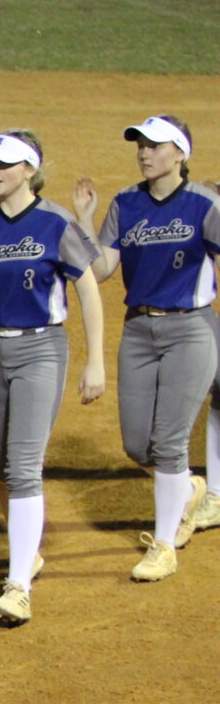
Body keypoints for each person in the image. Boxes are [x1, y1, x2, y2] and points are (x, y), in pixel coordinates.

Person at [0, 132, 107, 623]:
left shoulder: (56, 221)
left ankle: (17, 585)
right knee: (0, 464)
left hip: (40, 349)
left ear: (29, 170)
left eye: (5, 163)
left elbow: (89, 288)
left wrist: (95, 359)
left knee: (24, 464)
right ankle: (26, 551)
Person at [73, 115, 220, 581]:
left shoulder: (204, 204)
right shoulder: (127, 203)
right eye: (140, 145)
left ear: (180, 154)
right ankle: (190, 488)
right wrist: (83, 219)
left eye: (155, 145)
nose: (144, 152)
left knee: (171, 442)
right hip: (138, 332)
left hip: (190, 330)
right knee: (139, 445)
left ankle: (163, 545)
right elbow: (100, 270)